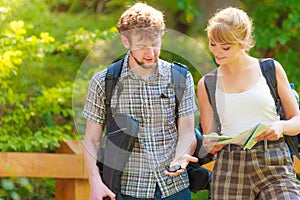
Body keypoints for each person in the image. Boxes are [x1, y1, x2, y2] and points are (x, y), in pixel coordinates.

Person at [82, 2, 198, 200]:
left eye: (155, 45)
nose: (150, 53)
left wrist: (181, 158)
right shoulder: (104, 81)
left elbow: (187, 132)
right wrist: (95, 183)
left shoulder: (180, 77)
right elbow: (91, 140)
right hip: (126, 189)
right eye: (143, 46)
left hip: (174, 188)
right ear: (125, 41)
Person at [197, 7, 300, 200]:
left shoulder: (270, 69)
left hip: (273, 160)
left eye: (225, 47)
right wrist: (210, 142)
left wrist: (281, 126)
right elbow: (209, 135)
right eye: (213, 44)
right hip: (230, 165)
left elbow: (297, 120)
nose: (217, 52)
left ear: (242, 42)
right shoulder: (207, 83)